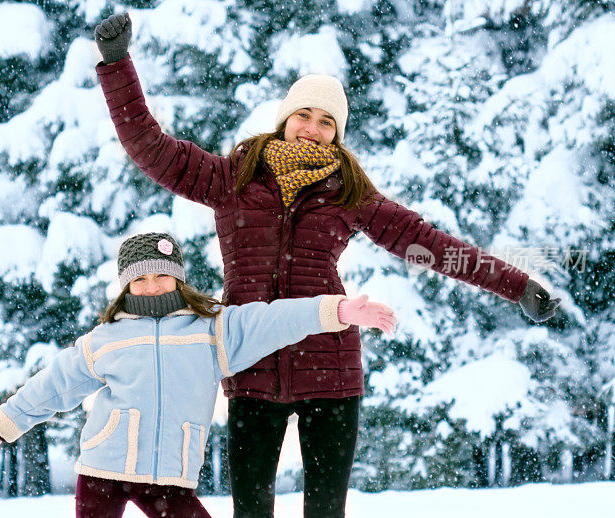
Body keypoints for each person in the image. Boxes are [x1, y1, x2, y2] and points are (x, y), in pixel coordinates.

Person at [92, 13, 560, 518]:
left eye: (327, 122)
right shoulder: (231, 180)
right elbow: (150, 147)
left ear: (337, 134)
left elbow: (427, 243)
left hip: (330, 370)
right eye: (304, 116)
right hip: (249, 364)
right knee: (250, 510)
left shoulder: (349, 194)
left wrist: (517, 286)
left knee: (324, 512)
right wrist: (118, 66)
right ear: (285, 119)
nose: (312, 130)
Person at [0, 232, 397, 518]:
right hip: (102, 469)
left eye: (162, 275)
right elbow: (53, 386)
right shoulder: (106, 339)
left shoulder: (214, 330)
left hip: (168, 476)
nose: (152, 285)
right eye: (140, 280)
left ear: (178, 279)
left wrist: (337, 310)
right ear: (126, 286)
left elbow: (274, 320)